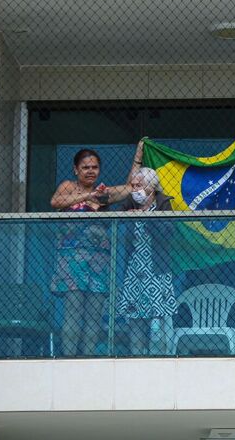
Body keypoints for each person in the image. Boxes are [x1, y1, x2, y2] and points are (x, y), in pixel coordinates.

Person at [49, 148, 130, 356]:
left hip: (99, 261)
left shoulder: (103, 194)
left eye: (94, 167)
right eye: (85, 167)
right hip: (71, 259)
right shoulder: (68, 186)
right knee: (73, 309)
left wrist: (138, 157)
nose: (90, 171)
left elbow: (129, 189)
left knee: (95, 313)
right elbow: (55, 202)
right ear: (76, 170)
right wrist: (88, 196)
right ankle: (69, 358)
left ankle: (88, 358)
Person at [116, 167, 177, 355]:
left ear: (151, 187)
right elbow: (117, 223)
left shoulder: (163, 204)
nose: (135, 189)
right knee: (135, 319)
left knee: (158, 320)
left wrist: (147, 217)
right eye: (133, 186)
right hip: (135, 269)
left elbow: (168, 234)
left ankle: (158, 358)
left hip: (156, 269)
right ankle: (136, 356)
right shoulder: (129, 203)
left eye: (139, 185)